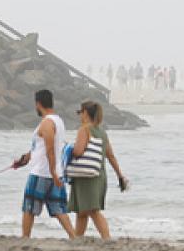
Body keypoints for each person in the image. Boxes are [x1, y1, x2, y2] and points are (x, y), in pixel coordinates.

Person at [13, 90, 75, 239]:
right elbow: (39, 147)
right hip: (53, 173)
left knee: (29, 207)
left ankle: (25, 237)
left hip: (41, 172)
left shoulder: (47, 123)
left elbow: (50, 149)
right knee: (59, 209)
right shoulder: (58, 121)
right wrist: (25, 159)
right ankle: (73, 236)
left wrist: (53, 172)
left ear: (38, 103)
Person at [68, 101, 126, 240]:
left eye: (80, 113)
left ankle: (107, 238)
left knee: (93, 211)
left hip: (86, 177)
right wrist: (120, 176)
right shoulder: (102, 132)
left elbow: (78, 151)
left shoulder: (84, 129)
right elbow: (110, 155)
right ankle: (77, 238)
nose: (80, 116)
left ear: (86, 113)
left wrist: (68, 150)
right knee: (82, 211)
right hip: (99, 175)